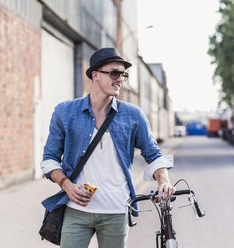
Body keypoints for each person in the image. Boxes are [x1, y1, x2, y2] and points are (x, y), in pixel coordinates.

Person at [41, 47, 176, 248]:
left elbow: (153, 153)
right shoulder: (65, 112)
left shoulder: (133, 115)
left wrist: (163, 181)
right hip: (76, 210)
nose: (120, 79)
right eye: (114, 73)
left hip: (116, 210)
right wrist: (67, 186)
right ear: (95, 75)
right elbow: (49, 159)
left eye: (123, 74)